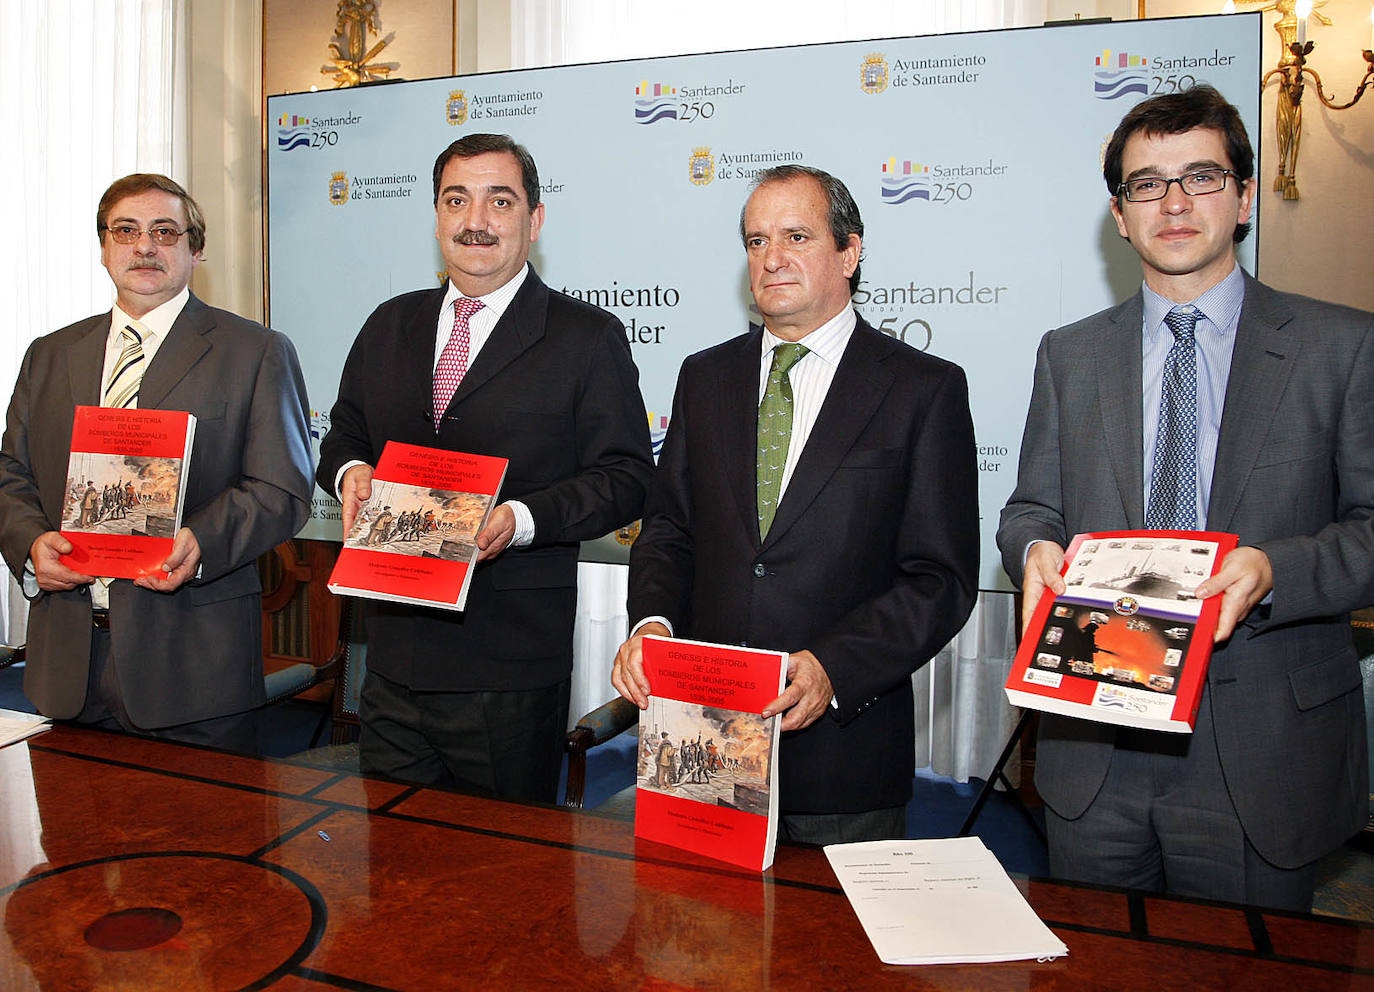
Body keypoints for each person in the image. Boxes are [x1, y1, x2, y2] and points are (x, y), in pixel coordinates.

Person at [997, 85, 1372, 911]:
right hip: (1094, 737)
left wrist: (1274, 570)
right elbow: (1032, 506)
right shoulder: (1069, 356)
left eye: (1200, 177)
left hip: (1258, 749)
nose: (1172, 202)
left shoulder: (1341, 348)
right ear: (1120, 216)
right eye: (1146, 184)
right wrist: (1033, 550)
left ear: (1242, 198)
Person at [613, 164, 979, 845]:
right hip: (703, 744)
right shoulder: (704, 377)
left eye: (795, 236)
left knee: (833, 953)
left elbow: (940, 579)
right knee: (697, 942)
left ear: (849, 250)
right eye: (755, 241)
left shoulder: (922, 391)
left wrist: (837, 666)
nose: (771, 258)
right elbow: (669, 530)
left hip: (843, 757)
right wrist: (652, 621)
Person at [317, 133, 654, 802]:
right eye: (456, 200)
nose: (476, 221)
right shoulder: (389, 323)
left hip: (507, 669)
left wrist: (523, 519)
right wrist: (350, 471)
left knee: (506, 881)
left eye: (500, 200)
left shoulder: (585, 337)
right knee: (396, 867)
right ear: (437, 217)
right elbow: (344, 433)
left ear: (534, 220)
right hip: (391, 658)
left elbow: (627, 477)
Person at [0, 173, 314, 752]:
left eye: (164, 232)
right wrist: (28, 544)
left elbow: (282, 488)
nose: (144, 246)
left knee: (207, 841)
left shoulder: (256, 351)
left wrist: (202, 541)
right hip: (66, 663)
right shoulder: (48, 354)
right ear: (104, 248)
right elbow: (11, 473)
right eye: (126, 231)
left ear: (196, 250)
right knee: (69, 843)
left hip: (195, 667)